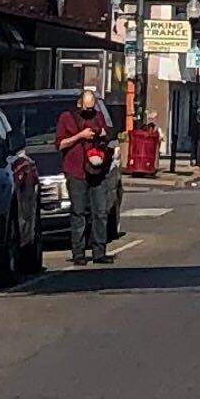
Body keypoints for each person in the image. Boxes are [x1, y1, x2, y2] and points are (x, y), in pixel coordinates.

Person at [56, 87, 122, 266]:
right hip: (75, 170)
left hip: (96, 170)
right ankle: (78, 253)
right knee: (79, 212)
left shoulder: (97, 115)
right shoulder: (66, 118)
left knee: (100, 211)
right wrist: (80, 136)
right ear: (79, 104)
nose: (89, 111)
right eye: (86, 108)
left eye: (92, 108)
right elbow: (60, 144)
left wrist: (103, 134)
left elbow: (109, 133)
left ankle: (99, 251)